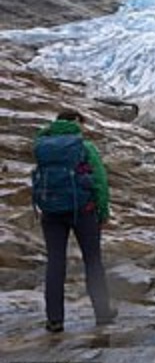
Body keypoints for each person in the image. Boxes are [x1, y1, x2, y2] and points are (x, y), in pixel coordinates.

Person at [32, 109, 116, 332]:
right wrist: (103, 211)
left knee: (56, 262)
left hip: (50, 211)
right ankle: (103, 313)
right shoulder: (84, 147)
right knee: (93, 261)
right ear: (76, 122)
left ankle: (54, 319)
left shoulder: (41, 145)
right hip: (83, 211)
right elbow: (99, 181)